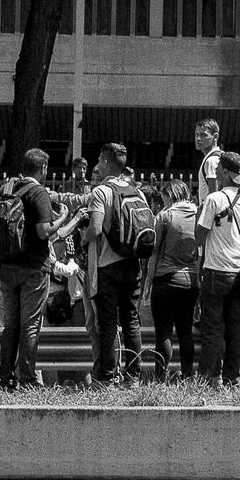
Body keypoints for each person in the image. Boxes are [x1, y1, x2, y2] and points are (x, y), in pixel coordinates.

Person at [0, 148, 74, 390]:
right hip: (33, 268)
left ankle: (6, 377)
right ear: (43, 169)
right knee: (29, 324)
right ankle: (28, 378)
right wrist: (62, 216)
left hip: (7, 267)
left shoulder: (6, 189)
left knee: (10, 325)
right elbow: (44, 231)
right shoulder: (38, 192)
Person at [76, 143, 146, 384]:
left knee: (107, 323)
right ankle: (134, 376)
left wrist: (83, 238)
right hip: (133, 264)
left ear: (105, 162)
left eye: (98, 161)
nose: (96, 165)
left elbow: (95, 229)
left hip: (106, 266)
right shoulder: (137, 191)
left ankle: (106, 376)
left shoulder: (100, 193)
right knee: (132, 322)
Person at [194, 150, 240, 385]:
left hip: (215, 270)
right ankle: (234, 376)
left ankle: (210, 377)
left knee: (212, 327)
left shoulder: (214, 200)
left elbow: (200, 237)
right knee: (235, 328)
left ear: (224, 171)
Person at [142, 178, 202, 380]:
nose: (163, 200)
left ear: (172, 194)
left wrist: (148, 282)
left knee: (164, 332)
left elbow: (154, 252)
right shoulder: (198, 214)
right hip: (191, 280)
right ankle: (187, 375)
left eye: (165, 196)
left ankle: (160, 376)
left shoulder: (165, 216)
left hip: (166, 280)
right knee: (186, 331)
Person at [194, 118, 222, 211]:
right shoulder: (219, 156)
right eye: (196, 135)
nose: (198, 139)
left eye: (203, 135)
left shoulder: (211, 161)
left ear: (215, 137)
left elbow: (213, 195)